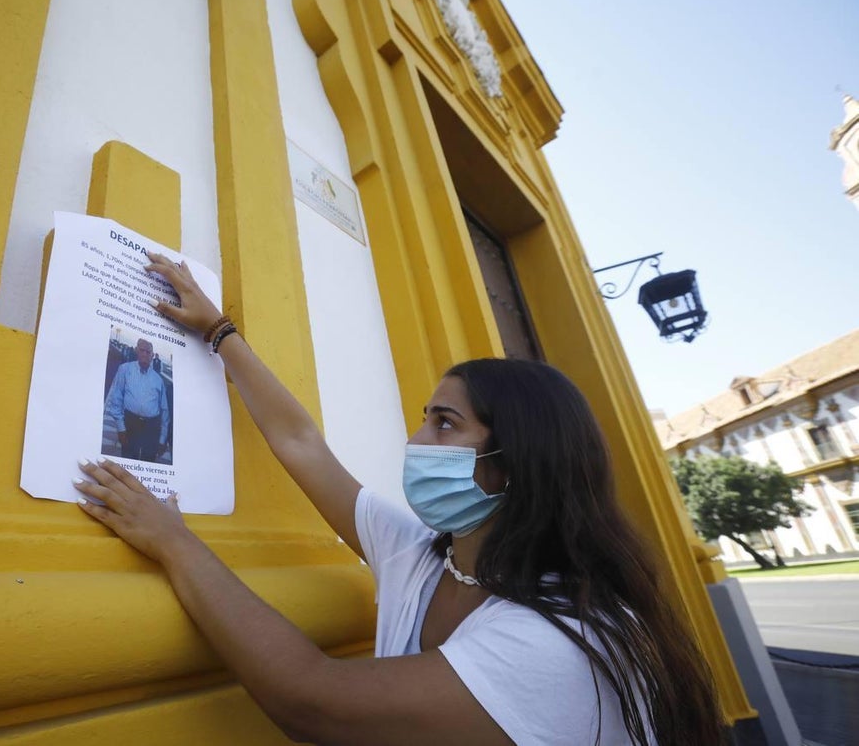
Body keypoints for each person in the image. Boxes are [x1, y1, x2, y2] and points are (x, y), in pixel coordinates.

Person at [73, 253, 725, 745]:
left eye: (444, 422)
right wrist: (219, 331)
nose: (417, 438)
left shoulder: (561, 638)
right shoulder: (418, 555)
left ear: (515, 464)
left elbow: (310, 698)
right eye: (424, 417)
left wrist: (175, 542)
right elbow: (302, 444)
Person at [103, 338, 169, 462]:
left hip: (151, 427)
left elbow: (164, 411)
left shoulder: (158, 380)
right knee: (128, 458)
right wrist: (121, 428)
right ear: (136, 351)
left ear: (152, 355)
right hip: (130, 422)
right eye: (142, 350)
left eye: (148, 352)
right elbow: (116, 399)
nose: (144, 354)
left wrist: (162, 439)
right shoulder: (124, 369)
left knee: (148, 460)